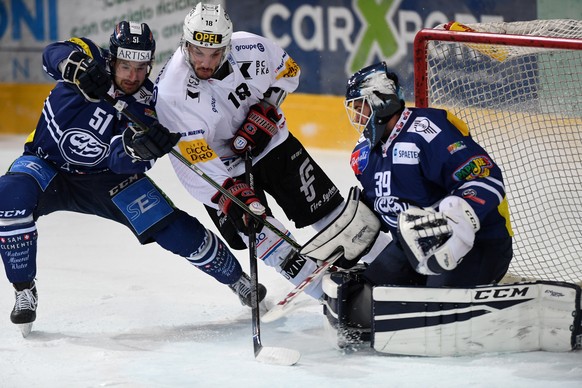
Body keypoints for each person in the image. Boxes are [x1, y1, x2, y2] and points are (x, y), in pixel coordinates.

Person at [0, 21, 265, 336]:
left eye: (140, 68)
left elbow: (121, 161)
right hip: (45, 164)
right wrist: (75, 67)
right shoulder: (90, 56)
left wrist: (136, 149)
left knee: (171, 226)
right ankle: (24, 288)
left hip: (104, 179)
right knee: (9, 198)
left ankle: (237, 280)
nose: (132, 75)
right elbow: (52, 54)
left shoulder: (151, 105)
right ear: (111, 58)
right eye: (125, 65)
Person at [154, 3, 389, 299]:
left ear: (226, 46)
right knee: (259, 232)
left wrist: (266, 108)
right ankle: (331, 298)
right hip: (222, 170)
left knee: (327, 211)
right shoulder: (171, 95)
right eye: (198, 51)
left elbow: (288, 72)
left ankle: (396, 266)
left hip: (273, 144)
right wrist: (228, 193)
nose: (205, 62)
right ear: (185, 44)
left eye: (214, 54)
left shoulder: (250, 47)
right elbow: (192, 161)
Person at [343, 61, 514, 288]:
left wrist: (460, 215)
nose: (356, 118)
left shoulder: (429, 130)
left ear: (380, 101)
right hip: (413, 246)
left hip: (480, 243)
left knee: (436, 307)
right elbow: (388, 197)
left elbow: (484, 177)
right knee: (359, 302)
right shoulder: (362, 155)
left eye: (360, 107)